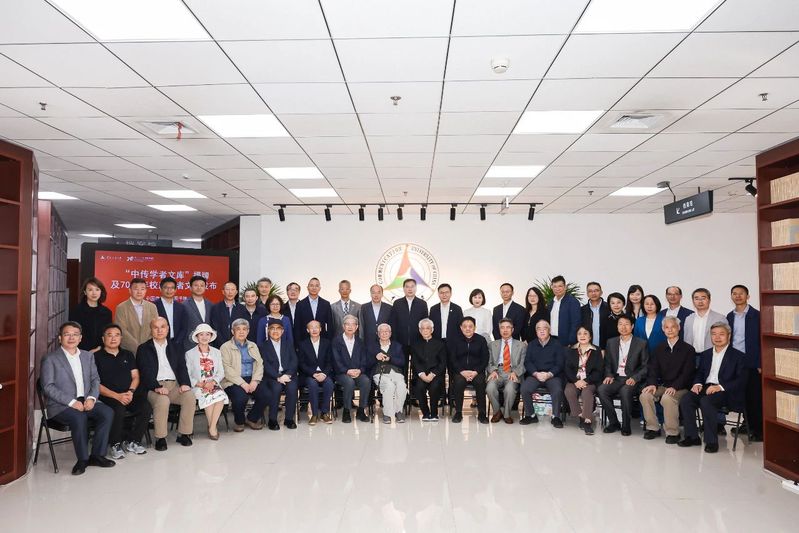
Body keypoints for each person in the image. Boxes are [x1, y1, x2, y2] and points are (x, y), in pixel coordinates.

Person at [40, 322, 115, 475]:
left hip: (86, 400)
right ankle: (82, 460)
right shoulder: (50, 359)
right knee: (79, 417)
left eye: (75, 334)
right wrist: (72, 402)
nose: (71, 337)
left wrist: (92, 398)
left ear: (80, 338)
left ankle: (97, 456)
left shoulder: (88, 356)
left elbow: (95, 380)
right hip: (61, 405)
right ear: (60, 338)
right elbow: (48, 387)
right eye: (67, 334)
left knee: (107, 412)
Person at [678, 322, 747, 453]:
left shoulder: (738, 356)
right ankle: (692, 437)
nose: (717, 337)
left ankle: (711, 441)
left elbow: (741, 380)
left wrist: (720, 387)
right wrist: (697, 384)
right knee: (686, 399)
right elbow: (700, 373)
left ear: (729, 336)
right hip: (706, 388)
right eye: (714, 334)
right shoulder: (706, 354)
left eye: (721, 334)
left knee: (706, 401)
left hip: (726, 392)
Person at [137, 317, 195, 450]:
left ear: (168, 329)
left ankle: (184, 434)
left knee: (189, 396)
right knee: (163, 400)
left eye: (162, 327)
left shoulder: (176, 346)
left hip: (173, 385)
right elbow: (145, 372)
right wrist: (156, 387)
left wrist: (185, 383)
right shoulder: (144, 348)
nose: (159, 330)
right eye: (156, 327)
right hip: (153, 387)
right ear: (151, 330)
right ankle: (161, 437)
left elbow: (182, 367)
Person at [94, 324, 151, 459]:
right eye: (109, 335)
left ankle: (133, 441)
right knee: (118, 409)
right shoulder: (96, 357)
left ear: (121, 338)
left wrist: (130, 391)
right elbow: (95, 384)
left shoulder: (128, 354)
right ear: (103, 339)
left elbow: (135, 376)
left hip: (128, 393)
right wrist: (117, 396)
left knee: (146, 407)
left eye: (117, 335)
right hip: (107, 395)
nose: (113, 338)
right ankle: (115, 444)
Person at [640, 316, 696, 443]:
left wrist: (674, 386)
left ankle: (673, 432)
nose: (670, 330)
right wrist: (652, 384)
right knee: (645, 395)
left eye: (673, 327)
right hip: (664, 385)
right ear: (663, 330)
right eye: (666, 327)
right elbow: (653, 369)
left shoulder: (688, 349)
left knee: (667, 398)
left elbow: (687, 374)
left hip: (682, 387)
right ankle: (653, 428)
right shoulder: (659, 348)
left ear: (679, 328)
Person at [598, 316, 649, 436]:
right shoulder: (611, 342)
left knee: (625, 392)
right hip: (616, 378)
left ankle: (626, 425)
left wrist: (635, 378)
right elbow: (608, 363)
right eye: (620, 324)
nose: (623, 327)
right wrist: (609, 375)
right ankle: (614, 422)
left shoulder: (641, 343)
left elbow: (645, 366)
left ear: (632, 326)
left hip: (631, 378)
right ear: (617, 327)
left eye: (626, 324)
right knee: (602, 390)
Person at [727, 284, 762, 442]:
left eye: (741, 293)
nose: (738, 296)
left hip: (752, 362)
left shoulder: (757, 315)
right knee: (740, 395)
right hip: (735, 362)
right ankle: (746, 424)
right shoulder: (730, 316)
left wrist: (760, 363)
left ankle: (758, 430)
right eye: (734, 293)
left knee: (754, 397)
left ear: (747, 296)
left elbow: (762, 341)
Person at [220, 318, 269, 431]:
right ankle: (239, 421)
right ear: (233, 331)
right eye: (238, 329)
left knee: (266, 395)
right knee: (240, 398)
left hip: (251, 378)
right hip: (233, 380)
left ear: (248, 331)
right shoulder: (225, 347)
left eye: (244, 329)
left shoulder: (253, 345)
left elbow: (259, 364)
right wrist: (242, 383)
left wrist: (255, 381)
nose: (241, 332)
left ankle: (251, 418)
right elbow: (227, 368)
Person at [185, 324, 229, 440]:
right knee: (208, 397)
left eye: (207, 334)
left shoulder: (217, 352)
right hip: (198, 385)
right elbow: (187, 375)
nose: (204, 337)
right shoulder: (189, 354)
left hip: (213, 384)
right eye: (201, 334)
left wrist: (213, 382)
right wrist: (202, 384)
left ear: (211, 336)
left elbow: (221, 372)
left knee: (220, 396)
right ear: (197, 337)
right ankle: (213, 428)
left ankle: (211, 426)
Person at [519, 320, 565, 427]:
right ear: (536, 332)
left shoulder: (557, 344)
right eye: (539, 329)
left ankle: (556, 417)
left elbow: (560, 364)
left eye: (545, 328)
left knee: (557, 390)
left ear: (549, 330)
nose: (542, 331)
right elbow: (527, 362)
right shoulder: (531, 344)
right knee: (524, 388)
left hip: (552, 376)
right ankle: (531, 415)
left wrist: (549, 374)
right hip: (536, 375)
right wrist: (536, 373)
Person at [258, 319, 299, 430]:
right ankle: (272, 419)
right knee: (276, 388)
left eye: (278, 328)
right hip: (272, 376)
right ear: (268, 331)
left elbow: (294, 361)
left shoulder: (288, 344)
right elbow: (265, 365)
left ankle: (289, 419)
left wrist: (288, 374)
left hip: (288, 374)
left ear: (282, 331)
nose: (275, 331)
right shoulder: (263, 346)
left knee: (292, 387)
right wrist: (277, 377)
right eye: (272, 328)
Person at [449, 317, 489, 424]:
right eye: (465, 326)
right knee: (459, 382)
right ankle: (458, 412)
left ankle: (482, 413)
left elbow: (485, 358)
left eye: (470, 326)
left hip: (476, 371)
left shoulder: (481, 340)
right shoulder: (455, 340)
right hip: (460, 371)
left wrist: (475, 371)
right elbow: (452, 358)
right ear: (461, 328)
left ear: (475, 327)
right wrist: (462, 371)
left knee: (480, 383)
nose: (468, 329)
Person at [564, 326, 603, 435]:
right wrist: (576, 381)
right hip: (574, 380)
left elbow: (599, 371)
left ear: (590, 336)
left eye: (585, 333)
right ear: (576, 336)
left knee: (586, 392)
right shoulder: (571, 349)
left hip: (590, 381)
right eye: (579, 333)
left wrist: (585, 381)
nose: (582, 336)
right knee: (569, 391)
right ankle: (581, 415)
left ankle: (587, 421)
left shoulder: (596, 350)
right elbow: (567, 369)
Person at [332, 314, 371, 423]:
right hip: (342, 373)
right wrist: (347, 371)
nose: (350, 327)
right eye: (347, 324)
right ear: (343, 326)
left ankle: (361, 410)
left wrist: (360, 370)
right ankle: (346, 411)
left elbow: (364, 359)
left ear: (357, 327)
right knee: (349, 382)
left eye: (353, 324)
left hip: (357, 372)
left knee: (366, 381)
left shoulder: (360, 341)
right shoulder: (336, 341)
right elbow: (336, 360)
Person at [486, 318, 525, 423]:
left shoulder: (521, 345)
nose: (505, 330)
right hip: (497, 372)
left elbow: (523, 364)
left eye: (508, 327)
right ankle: (497, 412)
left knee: (510, 389)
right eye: (502, 327)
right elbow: (488, 362)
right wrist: (493, 370)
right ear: (499, 330)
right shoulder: (492, 345)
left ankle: (507, 414)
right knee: (490, 388)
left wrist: (515, 372)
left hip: (512, 372)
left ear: (512, 329)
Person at [297, 320, 335, 425]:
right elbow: (301, 363)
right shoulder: (303, 344)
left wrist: (324, 374)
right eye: (311, 327)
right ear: (307, 330)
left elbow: (330, 362)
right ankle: (314, 414)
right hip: (309, 374)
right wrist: (313, 373)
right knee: (312, 384)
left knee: (329, 383)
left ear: (320, 329)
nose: (314, 330)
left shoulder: (327, 343)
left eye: (316, 327)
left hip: (324, 373)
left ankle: (324, 413)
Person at [369, 323, 407, 424]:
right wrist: (375, 358)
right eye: (382, 331)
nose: (384, 333)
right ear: (378, 334)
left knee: (402, 386)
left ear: (390, 333)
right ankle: (387, 413)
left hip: (395, 372)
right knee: (389, 386)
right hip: (379, 373)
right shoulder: (372, 346)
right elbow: (367, 363)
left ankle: (398, 411)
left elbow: (402, 362)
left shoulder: (397, 346)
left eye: (387, 331)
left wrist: (390, 359)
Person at [411, 318, 447, 421]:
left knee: (434, 386)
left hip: (436, 374)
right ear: (419, 330)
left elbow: (442, 362)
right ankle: (425, 413)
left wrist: (433, 374)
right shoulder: (415, 344)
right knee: (419, 386)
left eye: (428, 328)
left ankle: (434, 413)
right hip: (420, 375)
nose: (425, 330)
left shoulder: (440, 344)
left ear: (432, 329)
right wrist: (422, 374)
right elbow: (415, 362)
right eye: (423, 328)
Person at [69, 277, 112, 352]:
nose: (94, 293)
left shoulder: (107, 312)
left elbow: (108, 334)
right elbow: (73, 333)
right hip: (80, 351)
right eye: (90, 290)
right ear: (85, 292)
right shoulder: (76, 311)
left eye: (97, 289)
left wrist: (99, 348)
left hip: (101, 351)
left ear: (101, 292)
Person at [115, 277, 158, 353]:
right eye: (136, 289)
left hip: (149, 350)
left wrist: (147, 346)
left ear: (146, 290)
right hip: (128, 350)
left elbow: (155, 327)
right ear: (130, 290)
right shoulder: (121, 307)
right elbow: (122, 330)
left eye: (142, 289)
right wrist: (138, 347)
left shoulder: (152, 307)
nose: (139, 292)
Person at [390, 278, 429, 357]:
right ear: (404, 289)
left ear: (416, 288)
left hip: (418, 341)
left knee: (417, 364)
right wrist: (394, 340)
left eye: (412, 286)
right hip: (400, 342)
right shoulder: (397, 303)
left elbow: (425, 323)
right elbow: (393, 323)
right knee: (402, 363)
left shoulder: (422, 304)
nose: (410, 289)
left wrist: (424, 339)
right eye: (407, 287)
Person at [684, 288, 726, 354]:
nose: (700, 301)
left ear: (709, 300)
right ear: (693, 301)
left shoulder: (720, 318)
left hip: (712, 355)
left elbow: (725, 340)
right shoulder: (688, 319)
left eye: (703, 298)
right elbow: (686, 339)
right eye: (696, 299)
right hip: (691, 356)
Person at [294, 277, 333, 342]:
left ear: (319, 288)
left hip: (323, 341)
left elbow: (330, 325)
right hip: (304, 341)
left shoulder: (326, 304)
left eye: (316, 286)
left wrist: (329, 341)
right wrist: (298, 343)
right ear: (307, 288)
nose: (314, 288)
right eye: (311, 285)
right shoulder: (300, 304)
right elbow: (297, 326)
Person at [181, 275, 213, 351]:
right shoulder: (184, 305)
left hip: (208, 345)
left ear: (205, 287)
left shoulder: (211, 305)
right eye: (196, 285)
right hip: (190, 346)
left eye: (202, 285)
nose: (199, 288)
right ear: (190, 288)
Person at [548, 275, 581, 346]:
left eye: (560, 286)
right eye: (555, 286)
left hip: (566, 342)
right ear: (552, 288)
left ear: (565, 287)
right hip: (551, 340)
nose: (557, 289)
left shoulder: (572, 302)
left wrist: (571, 341)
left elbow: (576, 323)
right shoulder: (551, 303)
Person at [154, 276, 187, 345]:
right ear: (160, 289)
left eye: (172, 288)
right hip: (158, 343)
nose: (169, 290)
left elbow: (184, 327)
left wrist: (178, 342)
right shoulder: (154, 306)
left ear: (175, 290)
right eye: (166, 288)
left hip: (177, 344)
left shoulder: (181, 307)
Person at [210, 281, 242, 348]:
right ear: (223, 292)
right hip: (219, 345)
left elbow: (243, 327)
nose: (230, 292)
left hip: (237, 345)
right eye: (227, 289)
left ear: (236, 292)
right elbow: (215, 328)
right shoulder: (215, 308)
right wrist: (224, 344)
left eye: (232, 290)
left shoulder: (242, 308)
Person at [580, 281, 610, 350]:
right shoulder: (582, 310)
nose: (593, 293)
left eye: (596, 290)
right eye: (590, 291)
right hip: (588, 347)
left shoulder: (609, 308)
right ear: (587, 294)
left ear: (601, 292)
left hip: (606, 348)